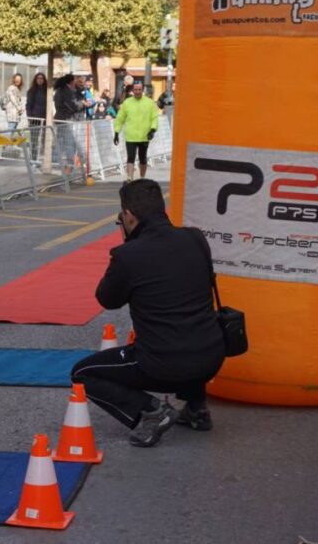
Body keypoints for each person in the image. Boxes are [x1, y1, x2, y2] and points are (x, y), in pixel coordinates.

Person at [70, 179, 224, 447]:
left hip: (162, 364)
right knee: (188, 330)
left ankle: (151, 412)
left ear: (128, 215)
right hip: (212, 356)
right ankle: (197, 409)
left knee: (83, 373)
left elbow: (107, 299)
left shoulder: (128, 255)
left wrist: (124, 247)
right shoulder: (196, 238)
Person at [113, 81, 159, 181]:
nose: (137, 92)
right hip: (131, 136)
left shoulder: (149, 102)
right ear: (132, 90)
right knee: (130, 157)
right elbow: (120, 118)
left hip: (144, 136)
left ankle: (142, 178)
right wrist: (116, 132)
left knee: (143, 159)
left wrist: (153, 130)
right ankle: (130, 178)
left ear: (142, 90)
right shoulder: (127, 103)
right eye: (135, 90)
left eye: (139, 89)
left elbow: (154, 117)